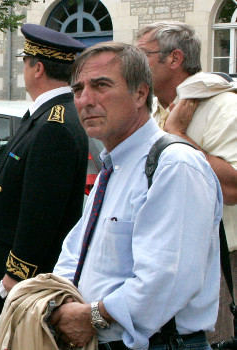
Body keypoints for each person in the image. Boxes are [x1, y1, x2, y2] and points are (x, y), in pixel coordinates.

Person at [50, 42, 222, 350]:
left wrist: (91, 317)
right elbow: (76, 251)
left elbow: (165, 281)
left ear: (141, 94)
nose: (85, 100)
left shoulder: (174, 165)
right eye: (78, 90)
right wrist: (60, 304)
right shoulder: (113, 167)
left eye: (101, 85)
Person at [0, 23, 89, 349]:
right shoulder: (46, 116)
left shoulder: (53, 125)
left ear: (37, 67)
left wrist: (17, 275)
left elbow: (40, 212)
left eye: (25, 61)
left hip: (27, 281)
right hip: (23, 275)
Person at [136, 21, 237, 343]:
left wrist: (178, 136)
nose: (134, 65)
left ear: (174, 59)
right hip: (170, 257)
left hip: (222, 261)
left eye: (142, 55)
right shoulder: (158, 110)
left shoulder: (224, 105)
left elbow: (233, 189)